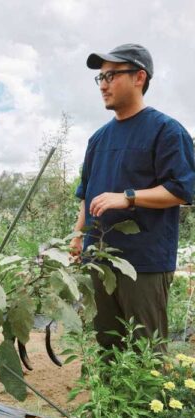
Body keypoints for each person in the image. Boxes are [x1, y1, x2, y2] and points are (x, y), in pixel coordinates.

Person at [70, 44, 195, 351]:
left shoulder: (166, 131)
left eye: (111, 75)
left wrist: (127, 197)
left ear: (139, 77)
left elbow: (181, 190)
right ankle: (110, 402)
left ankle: (149, 402)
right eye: (100, 77)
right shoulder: (98, 139)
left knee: (145, 353)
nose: (103, 84)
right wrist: (76, 239)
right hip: (99, 260)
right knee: (108, 348)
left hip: (144, 264)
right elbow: (87, 196)